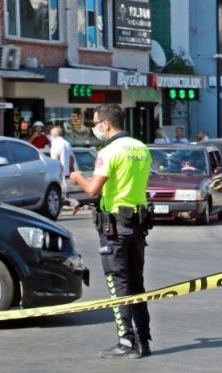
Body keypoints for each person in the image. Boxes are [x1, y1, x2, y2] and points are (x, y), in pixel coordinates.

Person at [69, 104, 153, 359]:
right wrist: (86, 202)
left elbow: (94, 188)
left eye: (95, 123)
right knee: (137, 283)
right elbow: (122, 187)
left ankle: (126, 341)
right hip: (136, 224)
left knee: (117, 283)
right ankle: (144, 340)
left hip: (114, 228)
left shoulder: (109, 151)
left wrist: (77, 178)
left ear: (106, 124)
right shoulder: (141, 148)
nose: (95, 128)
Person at [49, 126, 79, 213]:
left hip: (58, 171)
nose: (50, 136)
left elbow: (55, 158)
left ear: (55, 135)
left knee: (57, 191)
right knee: (62, 190)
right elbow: (71, 158)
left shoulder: (55, 144)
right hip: (65, 171)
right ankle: (64, 208)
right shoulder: (66, 142)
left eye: (51, 134)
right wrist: (71, 170)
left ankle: (73, 203)